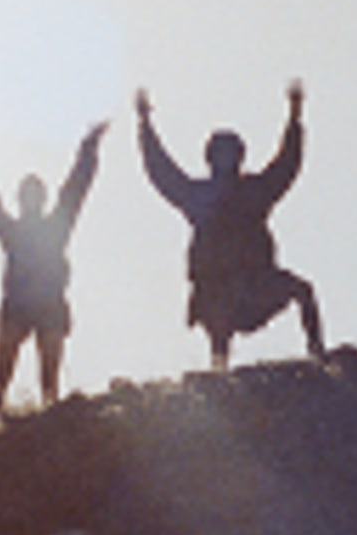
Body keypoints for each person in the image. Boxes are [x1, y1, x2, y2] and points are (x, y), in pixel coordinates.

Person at [135, 79, 325, 369]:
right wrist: (145, 125)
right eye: (221, 155)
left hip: (258, 283)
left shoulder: (254, 192)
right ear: (211, 159)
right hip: (215, 287)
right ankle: (218, 370)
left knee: (303, 290)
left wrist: (295, 117)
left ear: (239, 157)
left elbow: (287, 164)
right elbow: (162, 171)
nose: (226, 161)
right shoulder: (198, 196)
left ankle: (318, 353)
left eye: (231, 154)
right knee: (218, 313)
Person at [0, 117, 106, 417]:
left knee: (49, 378)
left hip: (46, 305)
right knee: (2, 375)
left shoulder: (49, 230)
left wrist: (89, 148)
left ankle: (43, 419)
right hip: (20, 305)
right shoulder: (17, 232)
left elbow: (76, 189)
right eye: (27, 196)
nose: (30, 201)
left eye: (34, 195)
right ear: (22, 200)